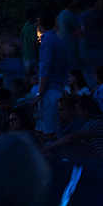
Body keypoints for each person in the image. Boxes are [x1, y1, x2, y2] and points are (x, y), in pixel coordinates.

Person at [37, 10, 68, 139]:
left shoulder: (47, 42)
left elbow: (45, 68)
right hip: (60, 86)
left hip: (49, 91)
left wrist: (40, 93)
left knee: (50, 132)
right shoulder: (60, 41)